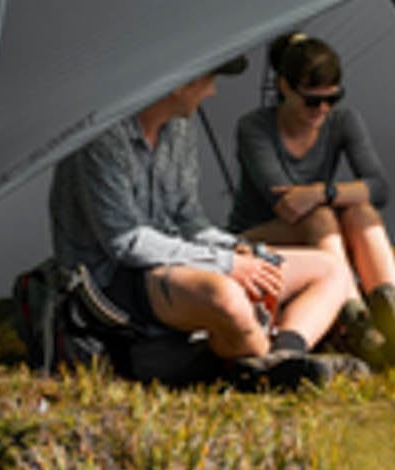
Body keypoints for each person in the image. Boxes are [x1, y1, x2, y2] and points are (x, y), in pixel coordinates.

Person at [49, 55, 359, 378]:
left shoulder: (180, 130)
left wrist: (240, 250)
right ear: (181, 84)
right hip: (116, 280)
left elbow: (189, 219)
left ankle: (283, 358)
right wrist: (224, 264)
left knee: (331, 269)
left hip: (177, 265)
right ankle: (271, 363)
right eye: (209, 79)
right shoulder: (101, 138)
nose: (211, 91)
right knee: (225, 296)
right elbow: (125, 243)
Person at [229, 32, 395, 345]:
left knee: (361, 212)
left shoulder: (343, 121)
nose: (322, 109)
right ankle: (356, 320)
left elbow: (379, 188)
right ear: (284, 87)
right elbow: (286, 205)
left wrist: (322, 191)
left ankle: (394, 309)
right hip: (257, 235)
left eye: (333, 98)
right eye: (312, 100)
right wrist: (339, 194)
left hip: (318, 225)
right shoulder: (254, 127)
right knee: (323, 218)